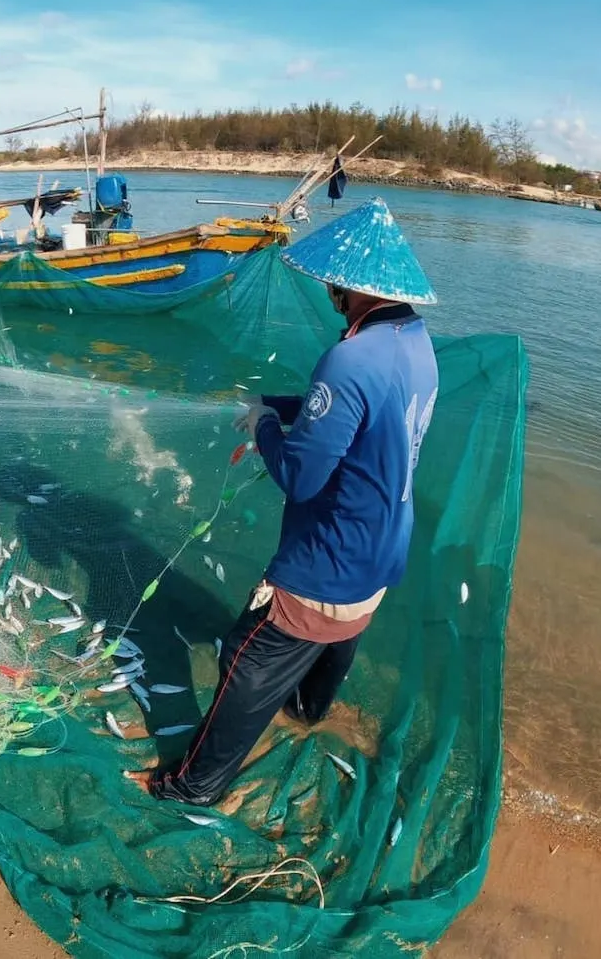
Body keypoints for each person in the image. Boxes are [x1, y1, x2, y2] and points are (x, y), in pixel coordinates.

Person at [148, 197, 440, 807]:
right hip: (381, 551)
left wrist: (261, 429)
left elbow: (301, 479)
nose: (329, 288)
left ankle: (194, 784)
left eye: (335, 280)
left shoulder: (350, 357)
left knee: (244, 656)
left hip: (326, 565)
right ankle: (307, 708)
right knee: (338, 637)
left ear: (349, 285)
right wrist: (279, 406)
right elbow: (363, 423)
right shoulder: (415, 342)